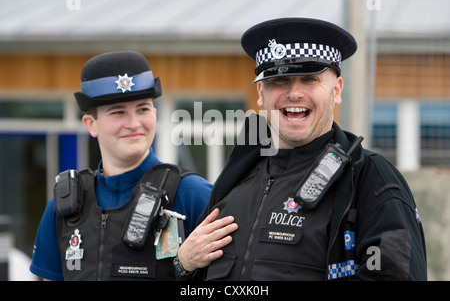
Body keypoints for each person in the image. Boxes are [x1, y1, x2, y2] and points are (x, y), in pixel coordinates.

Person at [174, 18, 427, 281]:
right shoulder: (237, 174)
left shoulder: (370, 179)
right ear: (261, 92)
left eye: (309, 79)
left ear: (337, 90)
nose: (294, 93)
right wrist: (182, 265)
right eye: (279, 80)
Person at [30, 51, 211, 281]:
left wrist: (183, 268)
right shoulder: (65, 206)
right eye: (118, 112)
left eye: (143, 109)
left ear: (154, 114)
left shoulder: (192, 195)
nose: (133, 123)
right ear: (91, 124)